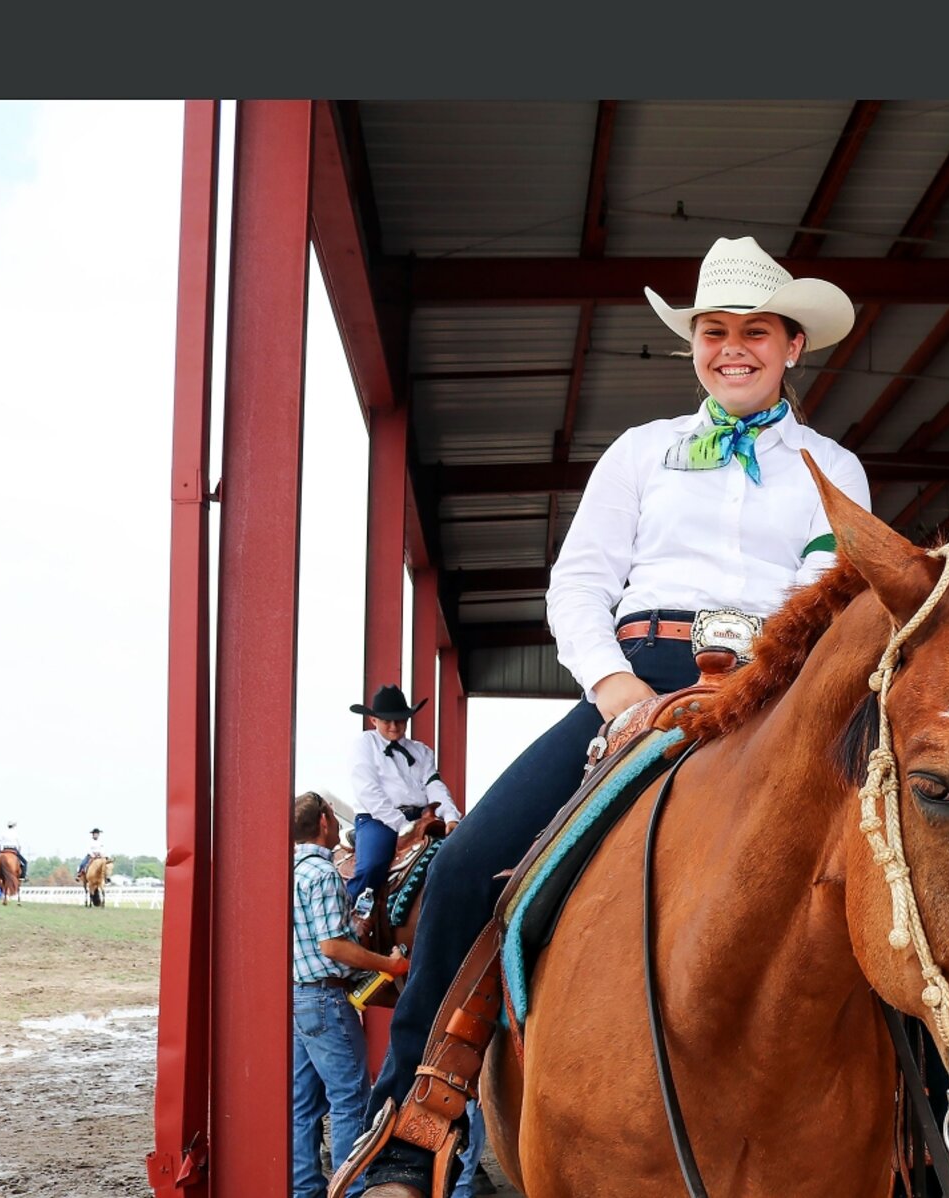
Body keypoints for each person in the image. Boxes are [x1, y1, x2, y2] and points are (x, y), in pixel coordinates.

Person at [345, 236, 870, 1198]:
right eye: (714, 332)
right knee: (465, 867)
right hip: (640, 674)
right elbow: (578, 585)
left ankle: (935, 1126)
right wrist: (618, 689)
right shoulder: (641, 452)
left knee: (893, 873)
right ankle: (415, 1119)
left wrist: (762, 681)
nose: (732, 348)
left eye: (754, 331)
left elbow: (827, 587)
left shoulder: (833, 468)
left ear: (794, 344)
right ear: (695, 347)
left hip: (778, 681)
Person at [293, 792, 409, 1198]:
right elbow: (332, 948)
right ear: (326, 823)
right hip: (326, 999)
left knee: (303, 1104)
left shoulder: (287, 869)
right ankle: (352, 1190)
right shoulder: (322, 874)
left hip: (297, 997)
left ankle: (304, 1188)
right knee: (350, 1100)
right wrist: (389, 965)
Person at [346, 685, 461, 908]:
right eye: (387, 721)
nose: (393, 726)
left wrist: (450, 817)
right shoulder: (364, 745)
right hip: (378, 820)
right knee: (372, 865)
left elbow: (434, 785)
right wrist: (403, 826)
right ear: (373, 721)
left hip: (421, 817)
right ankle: (353, 916)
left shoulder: (422, 751)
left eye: (399, 720)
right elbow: (368, 791)